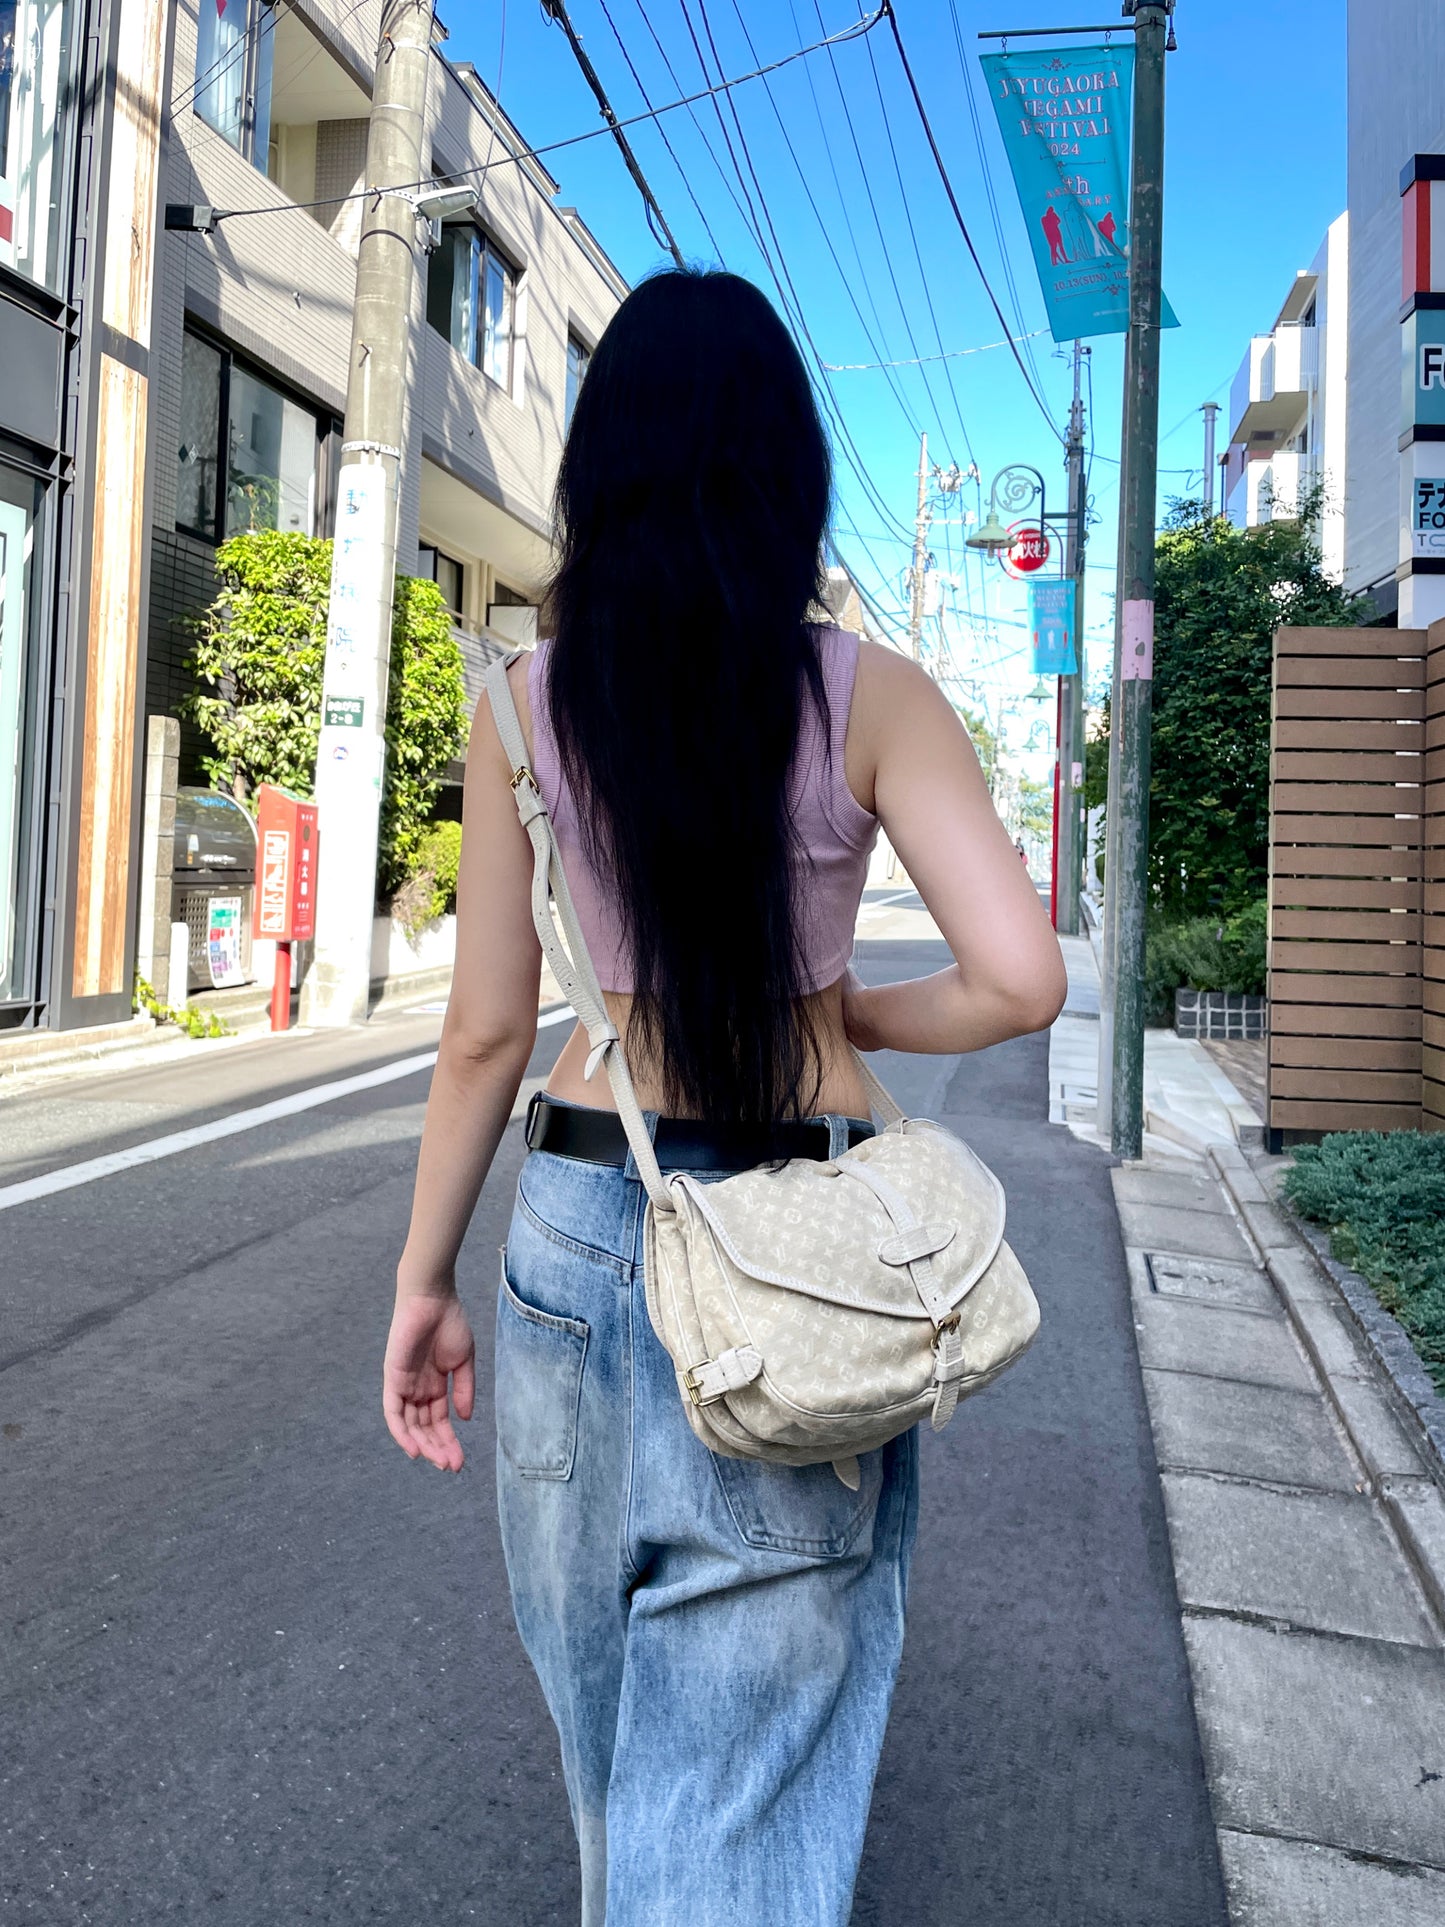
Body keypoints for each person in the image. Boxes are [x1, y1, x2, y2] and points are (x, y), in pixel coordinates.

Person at [383, 268, 1066, 1927]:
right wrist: (851, 1015)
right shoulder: (871, 695)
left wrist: (421, 1280)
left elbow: (482, 1033)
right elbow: (1019, 980)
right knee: (736, 1782)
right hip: (796, 1242)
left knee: (607, 1721)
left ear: (599, 467)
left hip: (572, 1223)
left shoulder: (522, 704)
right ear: (789, 471)